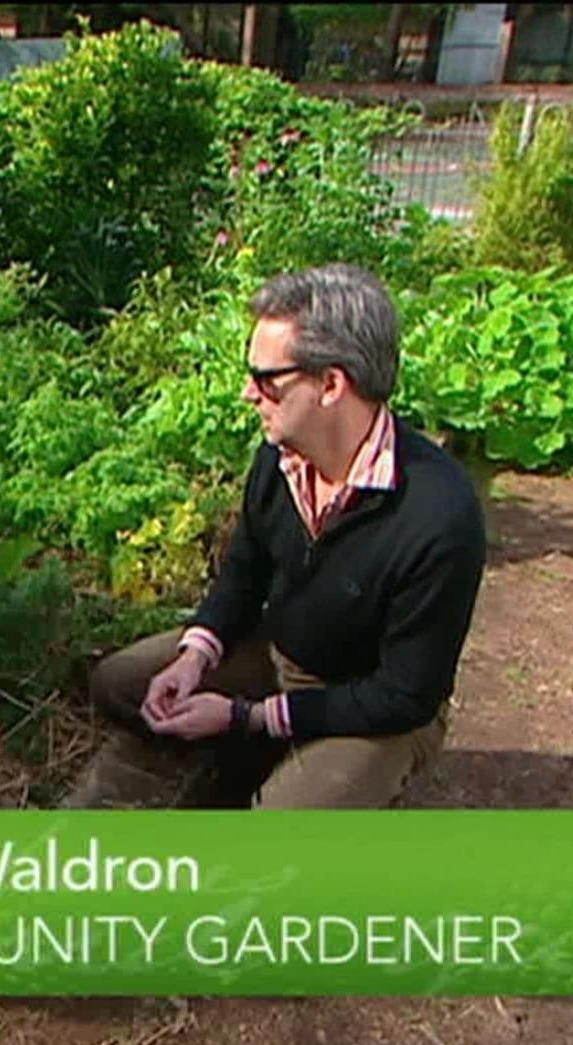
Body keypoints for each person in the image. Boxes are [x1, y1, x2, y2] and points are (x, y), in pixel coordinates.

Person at [79, 264, 486, 810]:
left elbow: (405, 695)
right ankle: (258, 753)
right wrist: (194, 658)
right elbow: (241, 577)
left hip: (375, 708)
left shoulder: (437, 513)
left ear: (331, 385)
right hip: (280, 659)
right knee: (118, 682)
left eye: (267, 379)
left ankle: (315, 771)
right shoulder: (280, 459)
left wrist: (246, 717)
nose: (249, 393)